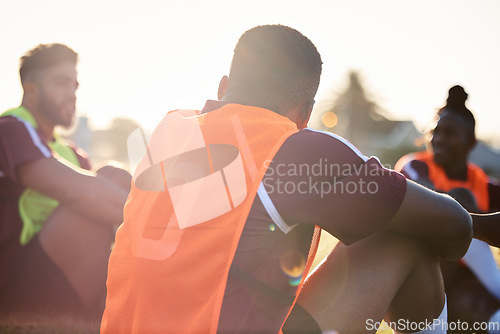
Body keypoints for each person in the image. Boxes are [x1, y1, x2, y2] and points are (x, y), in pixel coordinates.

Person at [101, 25, 499, 334]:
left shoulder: (170, 132)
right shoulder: (294, 147)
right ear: (306, 111)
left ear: (224, 87)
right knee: (403, 233)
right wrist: (483, 225)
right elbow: (453, 226)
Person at [0, 44, 131, 322]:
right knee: (100, 190)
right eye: (61, 83)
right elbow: (82, 194)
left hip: (58, 274)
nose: (72, 93)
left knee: (114, 176)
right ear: (31, 90)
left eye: (75, 85)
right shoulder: (11, 129)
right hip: (16, 282)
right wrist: (158, 219)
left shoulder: (71, 152)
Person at [396, 85, 500, 333]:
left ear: (471, 142)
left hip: (462, 282)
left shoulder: (483, 182)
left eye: (450, 133)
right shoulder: (415, 166)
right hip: (421, 275)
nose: (439, 139)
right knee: (457, 203)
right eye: (435, 132)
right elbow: (432, 201)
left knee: (481, 311)